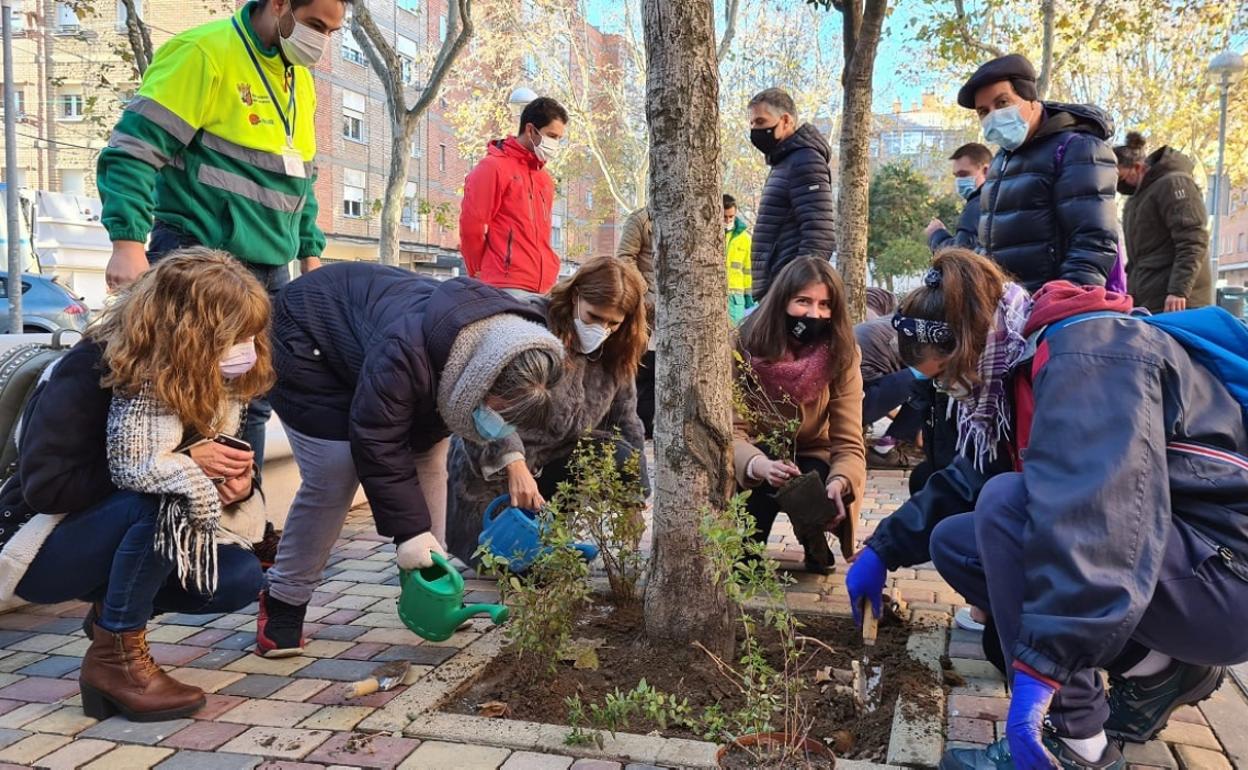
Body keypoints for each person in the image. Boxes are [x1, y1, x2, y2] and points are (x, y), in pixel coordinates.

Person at [849, 249, 1248, 770]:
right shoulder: (1019, 357)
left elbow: (1100, 522)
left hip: (1226, 578)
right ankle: (1158, 669)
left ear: (968, 344)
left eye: (943, 377)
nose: (947, 394)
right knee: (957, 541)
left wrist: (1043, 667)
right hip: (1184, 561)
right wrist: (882, 550)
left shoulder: (1088, 355)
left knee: (1009, 505)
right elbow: (968, 477)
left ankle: (1078, 746)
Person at [0, 249, 268, 721]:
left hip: (113, 531)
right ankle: (115, 661)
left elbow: (200, 474)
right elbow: (47, 489)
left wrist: (238, 486)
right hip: (37, 542)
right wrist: (178, 464)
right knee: (165, 493)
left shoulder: (206, 379)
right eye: (233, 335)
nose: (245, 348)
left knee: (237, 578)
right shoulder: (88, 369)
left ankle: (108, 622)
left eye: (250, 334)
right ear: (189, 332)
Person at [256, 263, 565, 657]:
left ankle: (432, 589)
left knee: (429, 456)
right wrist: (409, 533)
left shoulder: (512, 344)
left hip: (386, 352)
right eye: (496, 410)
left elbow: (434, 445)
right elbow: (376, 439)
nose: (497, 423)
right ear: (477, 380)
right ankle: (284, 600)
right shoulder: (407, 353)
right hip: (309, 339)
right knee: (336, 470)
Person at [96, 0, 345, 474]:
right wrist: (126, 242)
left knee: (252, 396)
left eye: (332, 32)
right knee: (182, 396)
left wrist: (311, 255)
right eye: (315, 25)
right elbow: (132, 150)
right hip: (200, 261)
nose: (323, 41)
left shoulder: (299, 81)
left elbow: (300, 180)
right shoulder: (203, 52)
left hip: (270, 270)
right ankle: (185, 516)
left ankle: (240, 516)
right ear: (278, 5)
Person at [445, 256, 650, 565]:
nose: (601, 329)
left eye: (613, 322)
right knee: (507, 564)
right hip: (490, 464)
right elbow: (480, 404)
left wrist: (634, 498)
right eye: (594, 317)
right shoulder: (529, 324)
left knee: (618, 453)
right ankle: (526, 541)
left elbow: (628, 421)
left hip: (551, 464)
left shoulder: (616, 350)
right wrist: (513, 464)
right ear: (575, 295)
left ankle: (548, 533)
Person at [733, 257, 865, 574]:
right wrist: (760, 465)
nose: (813, 314)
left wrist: (840, 480)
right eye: (803, 301)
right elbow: (732, 431)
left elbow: (849, 442)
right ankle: (748, 547)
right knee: (764, 475)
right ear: (783, 301)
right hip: (758, 451)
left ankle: (814, 536)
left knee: (815, 480)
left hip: (813, 451)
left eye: (824, 305)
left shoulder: (842, 353)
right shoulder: (743, 345)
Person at [958, 53, 1119, 291]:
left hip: (1052, 312)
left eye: (1002, 103)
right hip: (1008, 312)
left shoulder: (1077, 148)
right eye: (984, 111)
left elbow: (1094, 240)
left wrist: (1063, 301)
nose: (993, 116)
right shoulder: (1001, 161)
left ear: (1032, 100)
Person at [460, 97, 569, 297]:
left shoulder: (544, 179)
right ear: (530, 130)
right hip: (504, 286)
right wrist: (478, 273)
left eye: (559, 139)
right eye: (551, 136)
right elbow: (472, 226)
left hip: (544, 286)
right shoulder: (492, 168)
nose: (555, 144)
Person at [747, 89, 837, 302]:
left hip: (784, 293)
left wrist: (793, 293)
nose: (754, 130)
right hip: (775, 290)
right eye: (751, 124)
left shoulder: (805, 160)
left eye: (760, 122)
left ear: (786, 120)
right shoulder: (785, 163)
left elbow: (820, 236)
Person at [1115, 132, 1213, 314]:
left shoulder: (1173, 183)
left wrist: (1179, 290)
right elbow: (1139, 258)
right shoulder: (1137, 199)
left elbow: (1193, 240)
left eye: (1121, 178)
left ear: (1137, 167)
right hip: (1152, 300)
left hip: (1178, 303)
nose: (1119, 186)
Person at [854, 316, 924, 469]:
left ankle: (892, 444)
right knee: (926, 377)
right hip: (853, 406)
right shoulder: (920, 335)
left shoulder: (898, 322)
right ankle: (883, 451)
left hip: (842, 402)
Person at [615, 206, 656, 438]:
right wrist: (646, 292)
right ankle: (639, 427)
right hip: (647, 308)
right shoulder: (640, 220)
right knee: (642, 367)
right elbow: (625, 257)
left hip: (670, 312)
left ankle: (649, 426)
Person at [925, 142, 992, 253]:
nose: (959, 181)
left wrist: (936, 234)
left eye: (963, 174)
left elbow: (960, 256)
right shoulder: (1001, 200)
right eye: (956, 176)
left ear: (986, 171)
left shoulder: (977, 205)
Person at [724, 194, 753, 324]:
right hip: (713, 294)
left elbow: (748, 270)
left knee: (735, 335)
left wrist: (749, 296)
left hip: (736, 297)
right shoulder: (711, 235)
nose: (728, 220)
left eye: (731, 217)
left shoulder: (745, 238)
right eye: (724, 217)